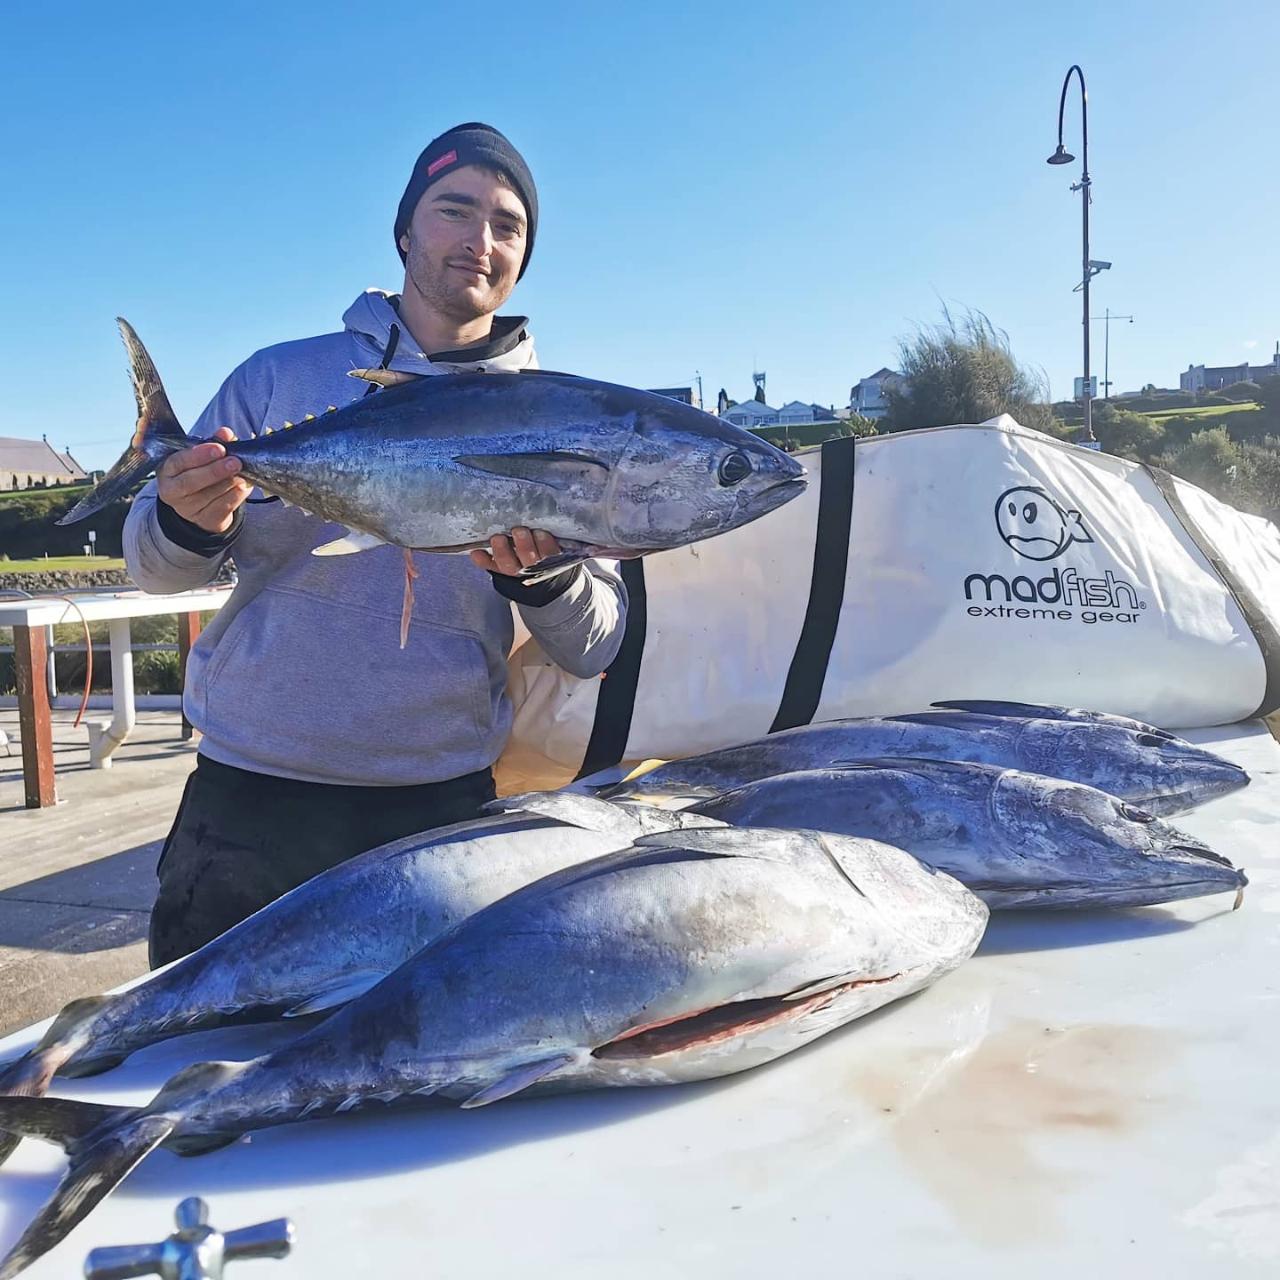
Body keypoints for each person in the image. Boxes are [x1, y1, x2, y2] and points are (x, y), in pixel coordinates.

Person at [125, 123, 627, 967]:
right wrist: (189, 517)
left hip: (439, 809)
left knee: (417, 1048)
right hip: (250, 801)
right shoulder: (277, 379)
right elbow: (152, 567)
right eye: (454, 210)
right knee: (201, 1042)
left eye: (508, 225)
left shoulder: (563, 415)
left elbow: (595, 645)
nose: (480, 240)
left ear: (524, 255)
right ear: (404, 232)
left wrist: (546, 579)